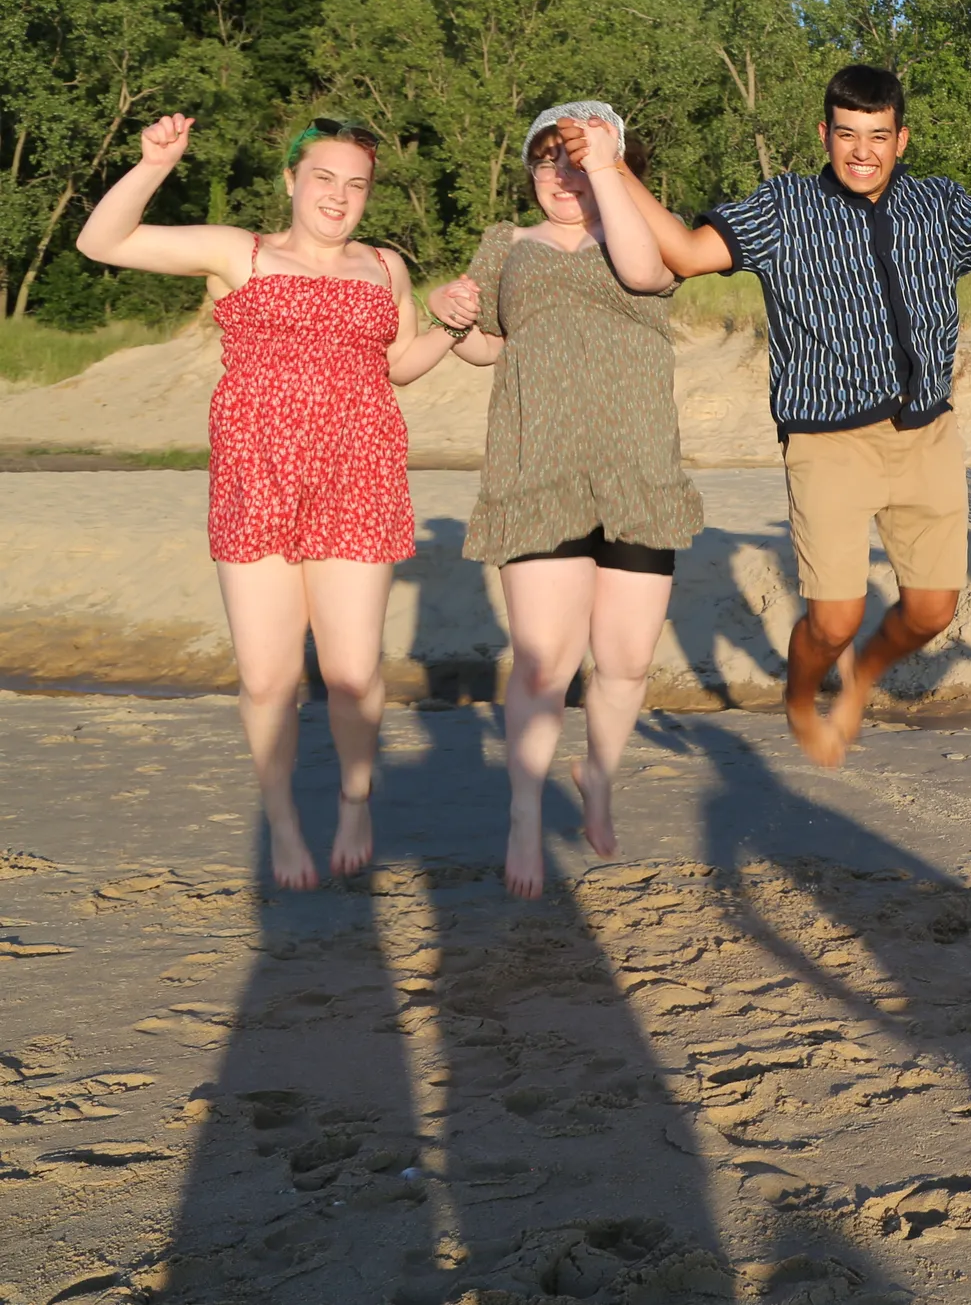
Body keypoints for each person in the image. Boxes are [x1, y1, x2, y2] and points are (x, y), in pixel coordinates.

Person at [610, 64, 971, 764]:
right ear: (825, 133)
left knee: (933, 609)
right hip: (828, 442)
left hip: (928, 433)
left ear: (901, 138)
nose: (862, 150)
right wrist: (616, 170)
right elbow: (687, 255)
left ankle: (864, 674)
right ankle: (799, 692)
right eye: (847, 134)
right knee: (834, 619)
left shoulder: (939, 203)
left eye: (877, 135)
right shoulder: (784, 205)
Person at [75, 114, 467, 889]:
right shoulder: (239, 253)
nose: (339, 195)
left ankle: (356, 799)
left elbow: (400, 366)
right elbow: (102, 242)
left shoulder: (385, 267)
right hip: (257, 478)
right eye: (324, 177)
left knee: (353, 672)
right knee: (267, 677)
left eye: (356, 184)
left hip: (360, 474)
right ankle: (283, 819)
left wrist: (453, 324)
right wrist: (155, 163)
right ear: (291, 181)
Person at [423, 102, 703, 899]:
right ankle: (521, 813)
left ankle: (599, 775)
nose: (561, 174)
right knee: (545, 662)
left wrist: (604, 165)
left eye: (575, 158)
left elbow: (648, 272)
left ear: (614, 160)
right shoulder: (504, 244)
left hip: (637, 468)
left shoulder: (645, 230)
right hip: (536, 466)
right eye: (548, 160)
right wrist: (453, 317)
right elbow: (485, 348)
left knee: (624, 660)